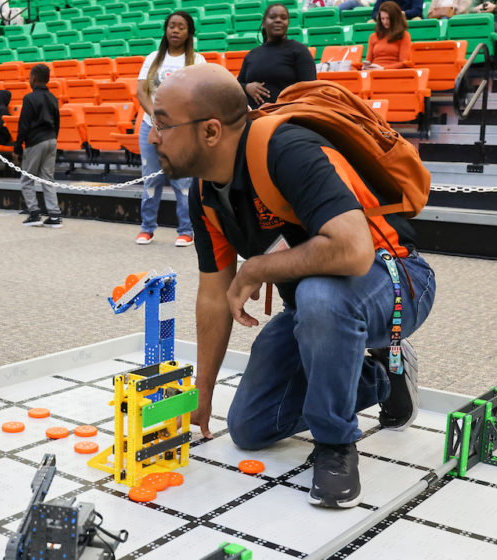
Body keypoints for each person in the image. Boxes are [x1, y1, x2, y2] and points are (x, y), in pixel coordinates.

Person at [150, 64, 435, 508]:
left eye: (162, 123)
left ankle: (336, 444)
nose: (152, 137)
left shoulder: (286, 149)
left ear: (210, 131)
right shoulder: (204, 192)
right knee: (250, 427)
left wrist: (257, 268)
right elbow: (212, 297)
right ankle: (381, 375)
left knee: (320, 296)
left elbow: (354, 250)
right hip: (312, 309)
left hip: (396, 280)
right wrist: (201, 391)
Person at [136, 10, 205, 247]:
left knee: (183, 182)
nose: (175, 30)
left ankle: (186, 230)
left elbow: (201, 95)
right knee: (150, 180)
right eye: (171, 26)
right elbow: (141, 92)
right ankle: (147, 228)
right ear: (165, 30)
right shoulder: (152, 58)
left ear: (189, 32)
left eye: (181, 27)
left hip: (181, 131)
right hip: (150, 128)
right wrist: (155, 114)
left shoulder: (197, 60)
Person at [238, 3, 316, 110]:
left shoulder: (299, 50)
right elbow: (237, 85)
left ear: (288, 23)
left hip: (286, 116)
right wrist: (246, 87)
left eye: (283, 18)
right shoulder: (252, 55)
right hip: (252, 116)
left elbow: (310, 89)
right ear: (264, 23)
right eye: (272, 17)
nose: (278, 20)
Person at [14, 64, 61, 228]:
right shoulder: (53, 97)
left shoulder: (29, 98)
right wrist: (54, 138)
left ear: (33, 78)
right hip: (51, 139)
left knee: (27, 179)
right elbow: (57, 122)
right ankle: (54, 216)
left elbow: (23, 125)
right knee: (48, 179)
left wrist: (17, 147)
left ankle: (34, 213)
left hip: (35, 141)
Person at [364, 2, 412, 70]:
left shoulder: (404, 35)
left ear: (395, 18)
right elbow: (368, 61)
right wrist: (365, 67)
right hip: (374, 72)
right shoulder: (373, 37)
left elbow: (403, 63)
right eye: (382, 19)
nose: (385, 22)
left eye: (388, 18)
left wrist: (383, 68)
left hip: (393, 73)